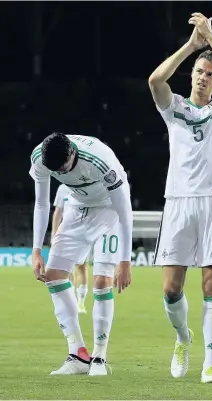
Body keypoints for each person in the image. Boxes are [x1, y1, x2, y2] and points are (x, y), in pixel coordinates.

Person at [148, 12, 212, 383]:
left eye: (210, 74)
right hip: (178, 201)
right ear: (191, 76)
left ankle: (210, 363)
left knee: (211, 284)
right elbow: (155, 79)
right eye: (200, 72)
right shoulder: (174, 108)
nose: (204, 77)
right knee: (172, 289)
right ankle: (182, 338)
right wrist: (192, 45)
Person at [30, 133, 133, 376]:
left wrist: (125, 260)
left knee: (101, 281)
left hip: (110, 209)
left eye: (64, 168)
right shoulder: (40, 159)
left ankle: (99, 356)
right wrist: (36, 249)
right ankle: (78, 354)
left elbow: (125, 210)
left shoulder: (101, 161)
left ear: (73, 153)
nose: (63, 175)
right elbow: (42, 204)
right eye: (57, 172)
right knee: (54, 275)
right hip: (77, 208)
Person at [52, 183, 89, 314]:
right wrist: (53, 235)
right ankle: (72, 301)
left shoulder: (87, 186)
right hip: (66, 233)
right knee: (67, 270)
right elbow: (58, 212)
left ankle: (81, 302)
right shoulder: (62, 188)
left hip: (84, 233)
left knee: (82, 267)